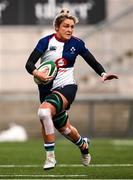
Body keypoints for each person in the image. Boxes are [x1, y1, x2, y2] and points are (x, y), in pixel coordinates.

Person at [25, 8, 118, 170]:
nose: (69, 29)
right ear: (57, 28)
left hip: (67, 87)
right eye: (65, 26)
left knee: (44, 112)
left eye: (72, 27)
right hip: (46, 91)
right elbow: (29, 64)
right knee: (65, 129)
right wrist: (36, 73)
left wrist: (102, 73)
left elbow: (92, 61)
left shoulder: (77, 43)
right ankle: (84, 145)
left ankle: (50, 158)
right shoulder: (45, 42)